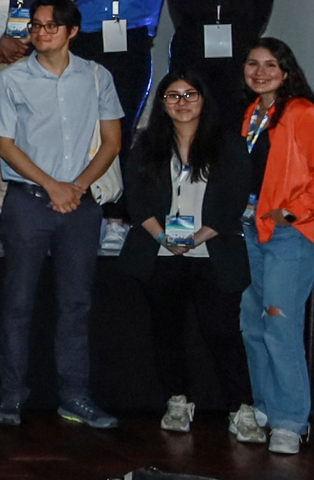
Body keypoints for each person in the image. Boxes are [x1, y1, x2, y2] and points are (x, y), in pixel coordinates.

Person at [0, 0, 123, 429]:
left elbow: (112, 142)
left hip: (80, 204)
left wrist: (77, 187)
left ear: (72, 31)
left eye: (50, 26)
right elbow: (5, 146)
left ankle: (74, 396)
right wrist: (52, 186)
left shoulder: (97, 77)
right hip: (27, 201)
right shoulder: (11, 80)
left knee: (76, 305)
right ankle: (10, 395)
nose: (40, 33)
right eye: (35, 25)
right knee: (17, 302)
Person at [116, 72, 255, 438]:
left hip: (213, 250)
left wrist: (198, 237)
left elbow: (234, 200)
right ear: (162, 104)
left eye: (190, 94)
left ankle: (241, 409)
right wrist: (163, 237)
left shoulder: (230, 145)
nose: (182, 102)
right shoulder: (146, 145)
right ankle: (177, 401)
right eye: (173, 96)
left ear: (204, 100)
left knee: (221, 332)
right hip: (159, 252)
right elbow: (136, 200)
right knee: (167, 331)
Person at [237, 39, 314, 454]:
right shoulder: (252, 113)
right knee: (254, 325)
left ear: (286, 71)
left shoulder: (302, 112)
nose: (260, 72)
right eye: (253, 64)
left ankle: (290, 421)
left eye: (270, 65)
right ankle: (266, 408)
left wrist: (291, 213)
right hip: (251, 229)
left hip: (290, 235)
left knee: (280, 324)